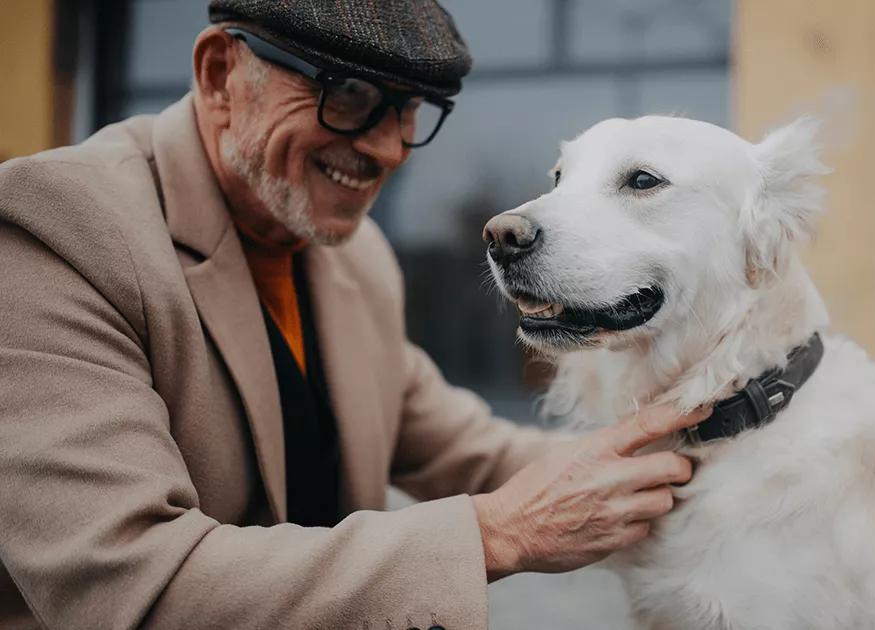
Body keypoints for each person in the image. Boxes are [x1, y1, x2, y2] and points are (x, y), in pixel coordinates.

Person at [0, 1, 707, 628]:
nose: (387, 148)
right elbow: (133, 585)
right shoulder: (54, 230)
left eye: (411, 110)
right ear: (220, 74)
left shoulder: (354, 252)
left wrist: (721, 462)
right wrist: (494, 536)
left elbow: (469, 451)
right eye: (349, 95)